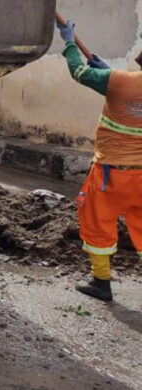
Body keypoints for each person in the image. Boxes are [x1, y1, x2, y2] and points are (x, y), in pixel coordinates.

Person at [57, 18, 142, 302]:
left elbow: (78, 71)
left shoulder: (119, 82)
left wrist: (69, 42)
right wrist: (109, 75)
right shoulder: (118, 81)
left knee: (97, 222)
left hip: (111, 174)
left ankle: (101, 283)